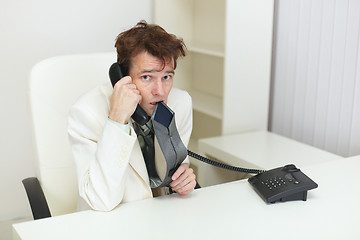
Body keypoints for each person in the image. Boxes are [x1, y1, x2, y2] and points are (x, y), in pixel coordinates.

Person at [68, 20, 197, 211]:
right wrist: (117, 121)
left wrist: (182, 179)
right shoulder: (86, 113)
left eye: (167, 77)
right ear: (122, 76)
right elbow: (100, 200)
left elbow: (174, 167)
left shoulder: (180, 103)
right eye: (147, 77)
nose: (160, 91)